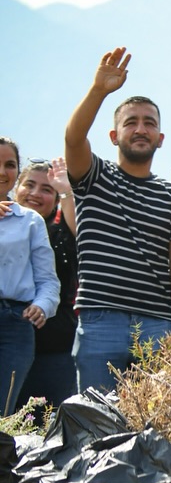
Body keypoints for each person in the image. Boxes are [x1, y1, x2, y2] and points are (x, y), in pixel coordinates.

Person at [62, 48, 171, 392]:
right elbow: (74, 139)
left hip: (157, 325)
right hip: (100, 320)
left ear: (160, 139)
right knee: (95, 422)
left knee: (156, 426)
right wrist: (99, 91)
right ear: (113, 136)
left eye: (149, 123)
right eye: (131, 122)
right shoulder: (93, 176)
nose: (140, 129)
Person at [0, 141, 61, 415]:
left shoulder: (30, 221)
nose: (3, 171)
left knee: (3, 412)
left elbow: (48, 281)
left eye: (10, 165)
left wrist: (42, 305)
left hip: (15, 325)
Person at [13, 159, 78, 409]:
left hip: (53, 350)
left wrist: (65, 190)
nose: (35, 194)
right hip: (7, 339)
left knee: (43, 425)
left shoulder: (64, 231)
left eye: (46, 189)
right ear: (16, 187)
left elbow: (79, 231)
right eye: (29, 185)